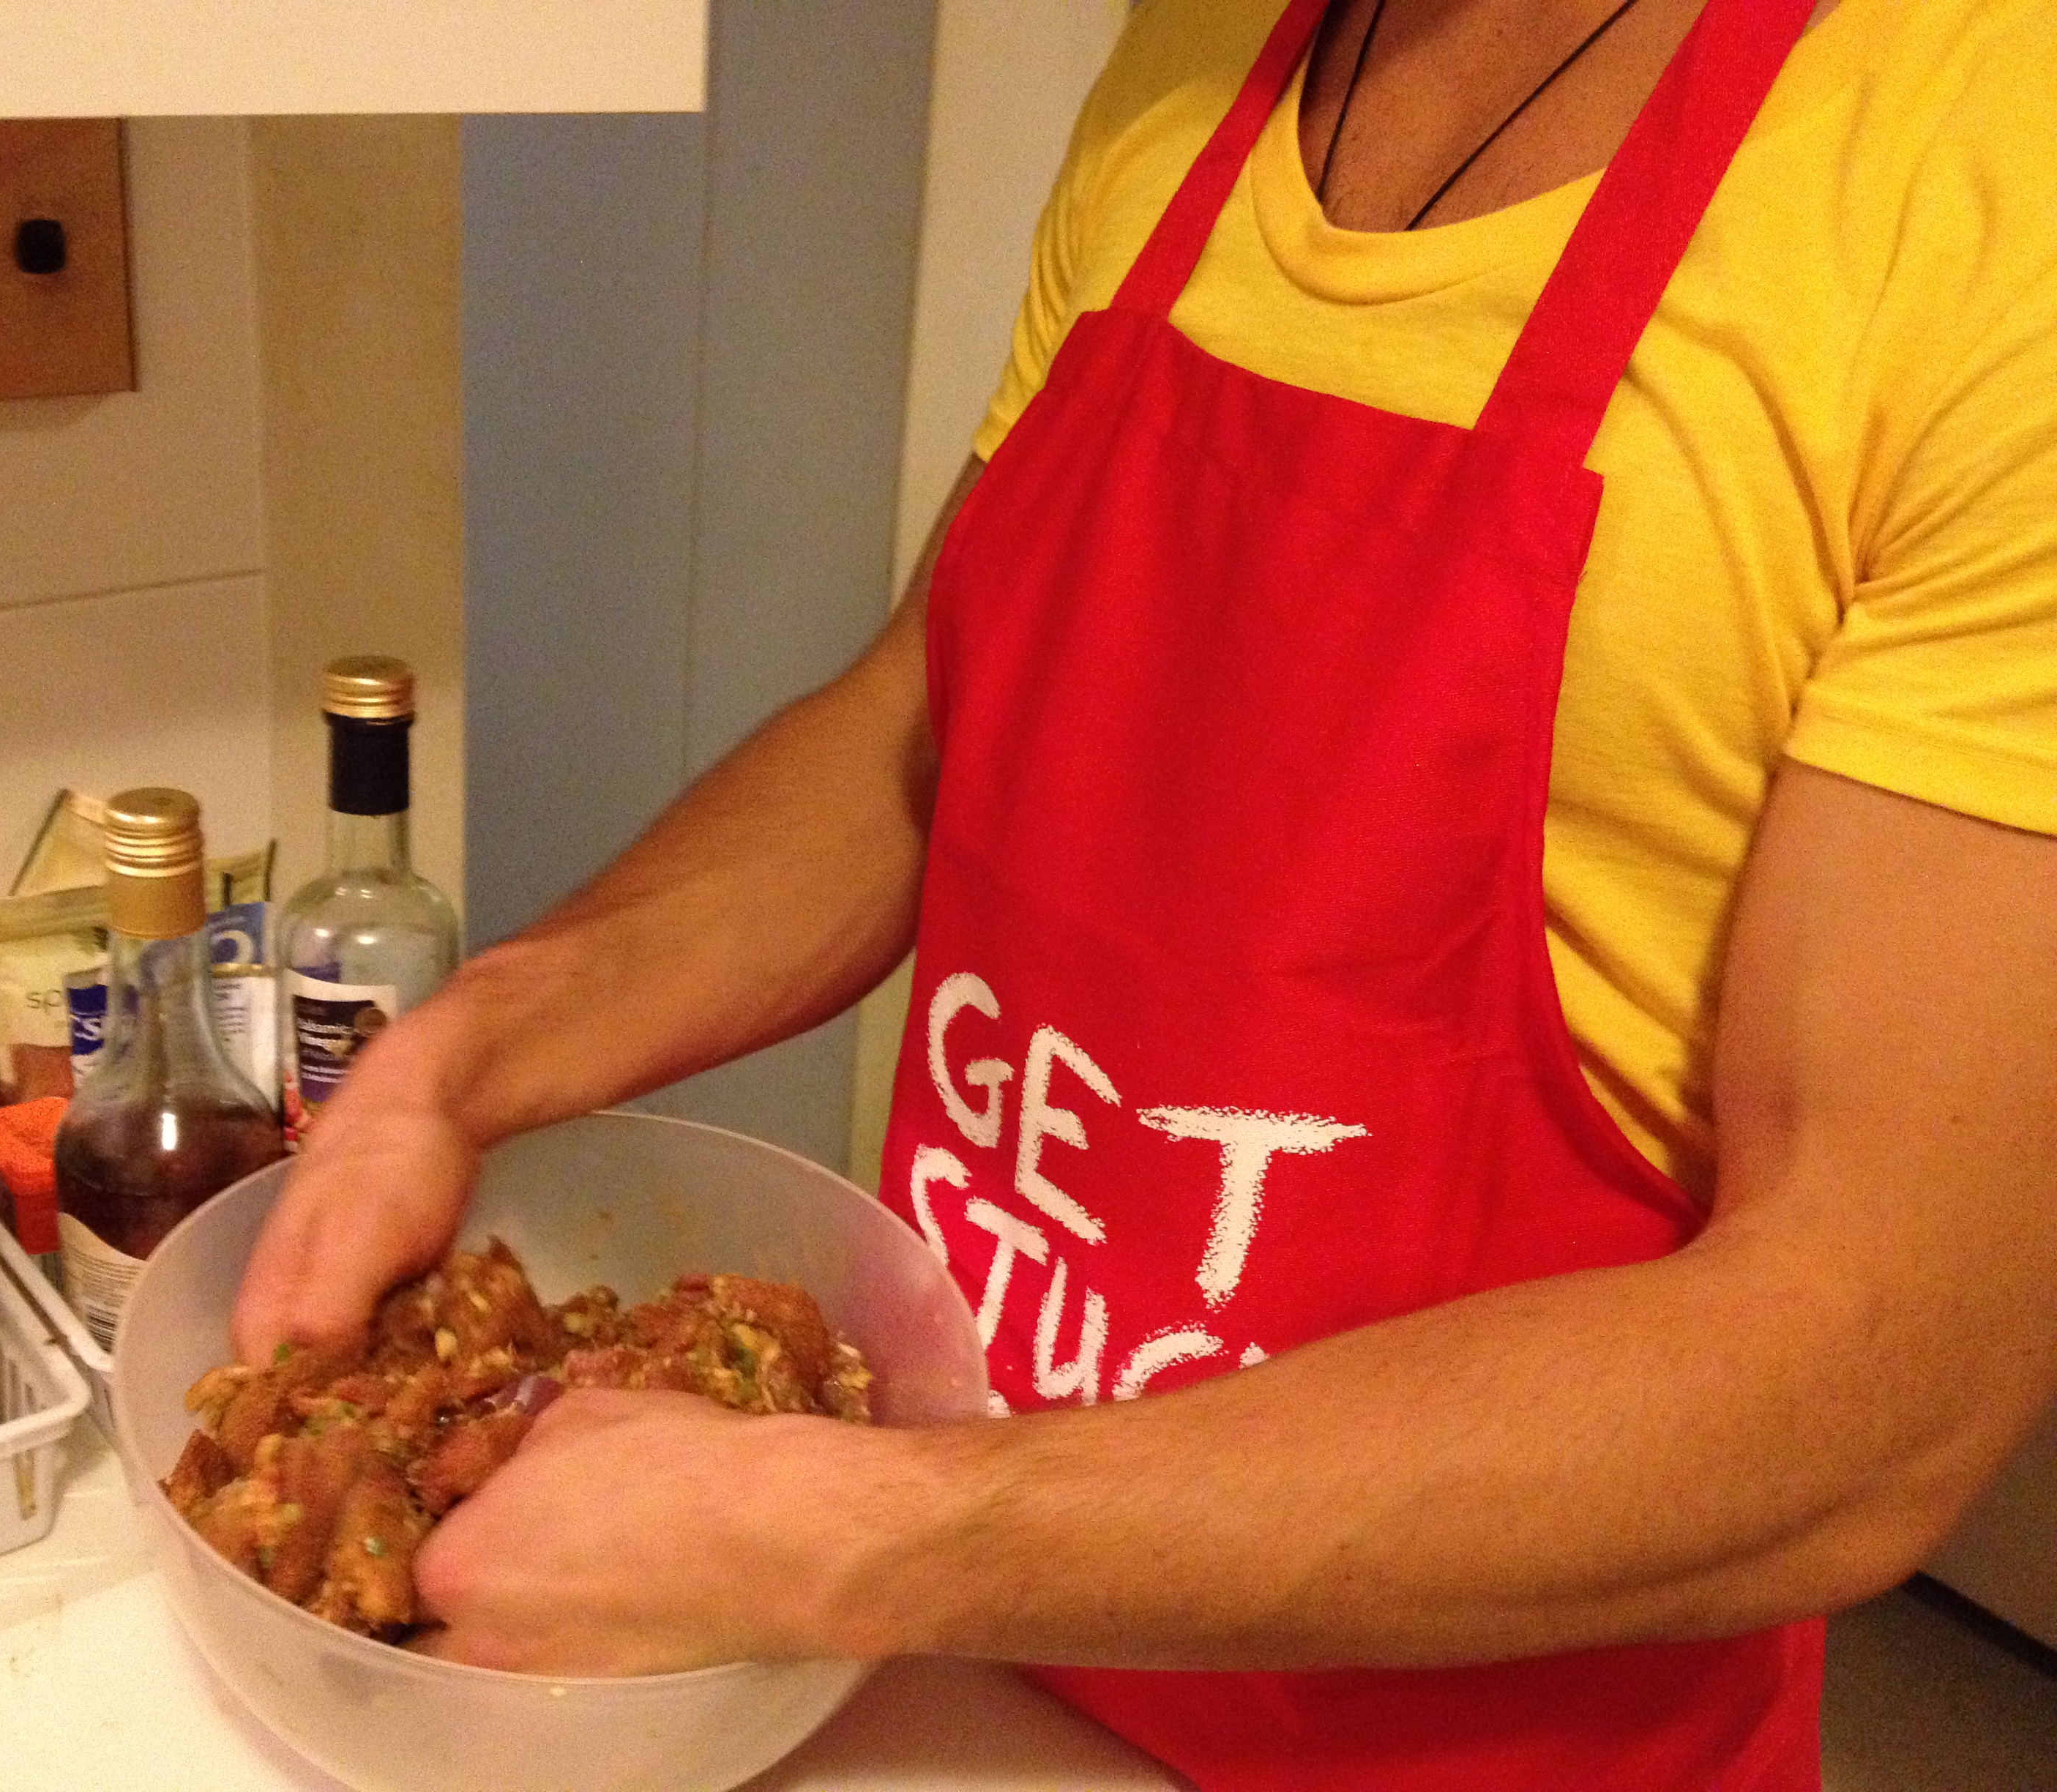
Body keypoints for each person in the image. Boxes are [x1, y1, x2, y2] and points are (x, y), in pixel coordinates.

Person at [234, 0, 2057, 1783]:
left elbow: (1873, 1380)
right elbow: (921, 730)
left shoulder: (1982, 168)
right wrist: (466, 1054)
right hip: (963, 1677)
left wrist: (849, 1535)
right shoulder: (1197, 59)